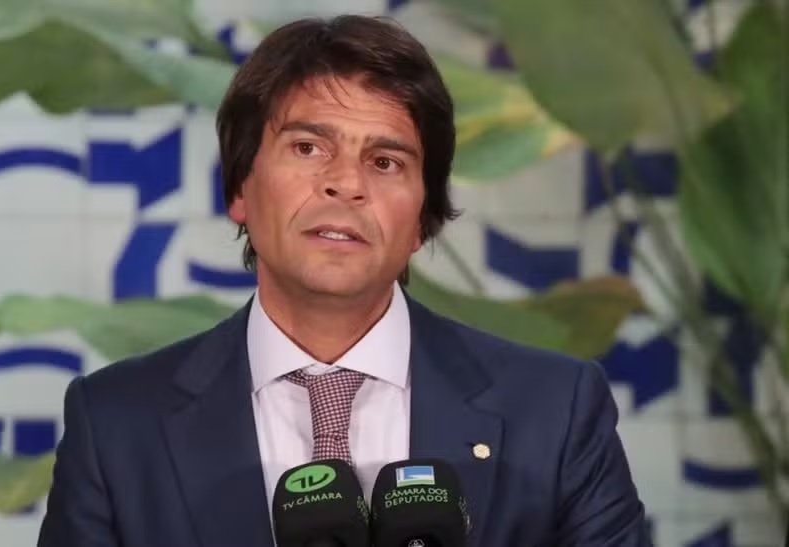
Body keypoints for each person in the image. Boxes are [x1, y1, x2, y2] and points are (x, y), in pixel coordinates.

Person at [38, 14, 650, 547]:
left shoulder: (554, 411)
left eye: (385, 162)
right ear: (240, 189)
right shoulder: (117, 425)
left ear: (422, 219)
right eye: (308, 148)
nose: (347, 183)